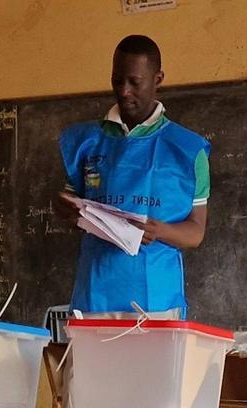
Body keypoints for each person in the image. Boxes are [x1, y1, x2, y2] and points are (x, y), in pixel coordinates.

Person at [54, 35, 210, 317]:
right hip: (95, 296)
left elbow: (196, 231)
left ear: (158, 79)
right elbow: (71, 208)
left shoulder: (188, 151)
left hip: (157, 302)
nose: (124, 91)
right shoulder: (87, 143)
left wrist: (159, 231)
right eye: (117, 81)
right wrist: (63, 208)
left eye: (135, 82)